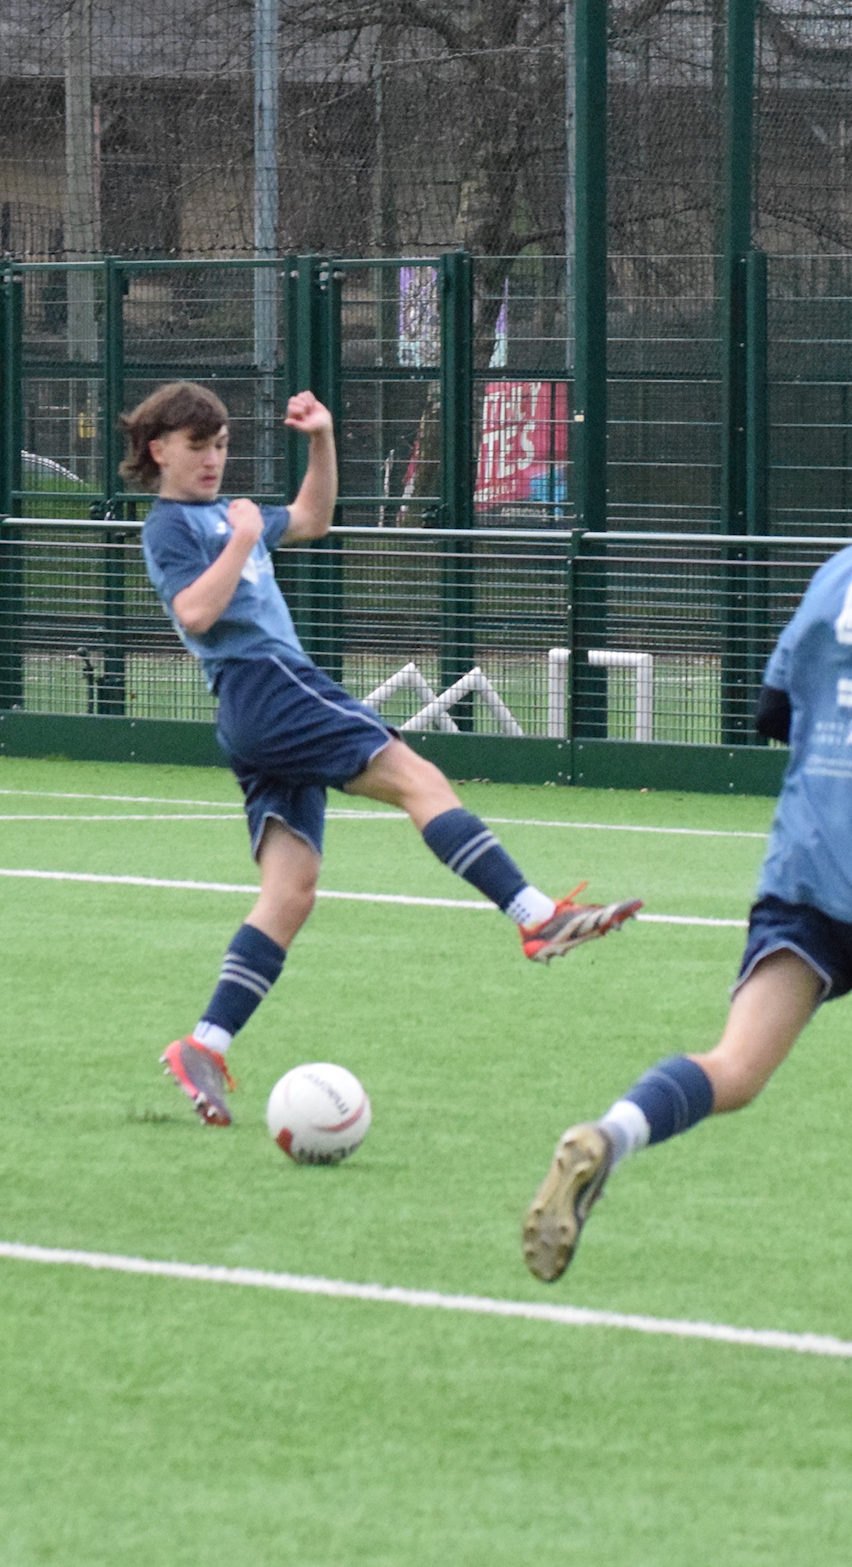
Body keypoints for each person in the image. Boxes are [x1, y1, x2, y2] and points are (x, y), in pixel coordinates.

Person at [519, 392, 852, 1340]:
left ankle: (610, 1134)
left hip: (805, 860)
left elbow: (770, 711)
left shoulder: (841, 568)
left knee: (737, 1065)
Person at [129, 381, 641, 1127]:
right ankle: (534, 914)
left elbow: (312, 517)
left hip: (260, 706)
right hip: (266, 682)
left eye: (222, 443)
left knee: (291, 891)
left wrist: (321, 439)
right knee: (419, 778)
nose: (214, 457)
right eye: (199, 445)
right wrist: (240, 538)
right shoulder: (175, 526)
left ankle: (205, 1041)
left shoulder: (226, 514)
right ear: (160, 449)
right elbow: (196, 613)